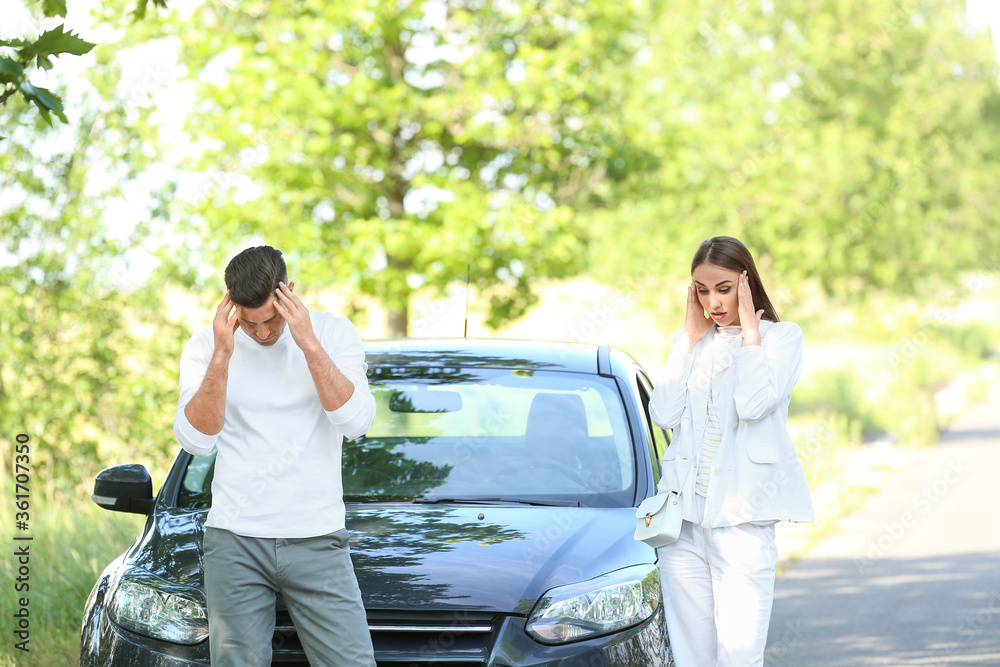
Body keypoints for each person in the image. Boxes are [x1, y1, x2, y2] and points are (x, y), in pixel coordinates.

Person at [172, 245, 377, 667]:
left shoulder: (334, 333)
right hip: (235, 539)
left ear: (290, 294)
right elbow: (196, 441)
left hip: (317, 537)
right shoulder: (205, 347)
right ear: (230, 306)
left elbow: (356, 423)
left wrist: (308, 343)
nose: (263, 333)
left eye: (272, 319)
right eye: (250, 324)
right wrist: (223, 354)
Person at [649, 236, 813, 667]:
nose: (713, 302)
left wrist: (751, 337)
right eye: (702, 291)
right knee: (692, 659)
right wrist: (686, 342)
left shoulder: (781, 339)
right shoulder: (693, 342)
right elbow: (664, 413)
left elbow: (754, 403)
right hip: (682, 528)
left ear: (746, 281)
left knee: (739, 658)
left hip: (742, 523)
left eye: (722, 288)